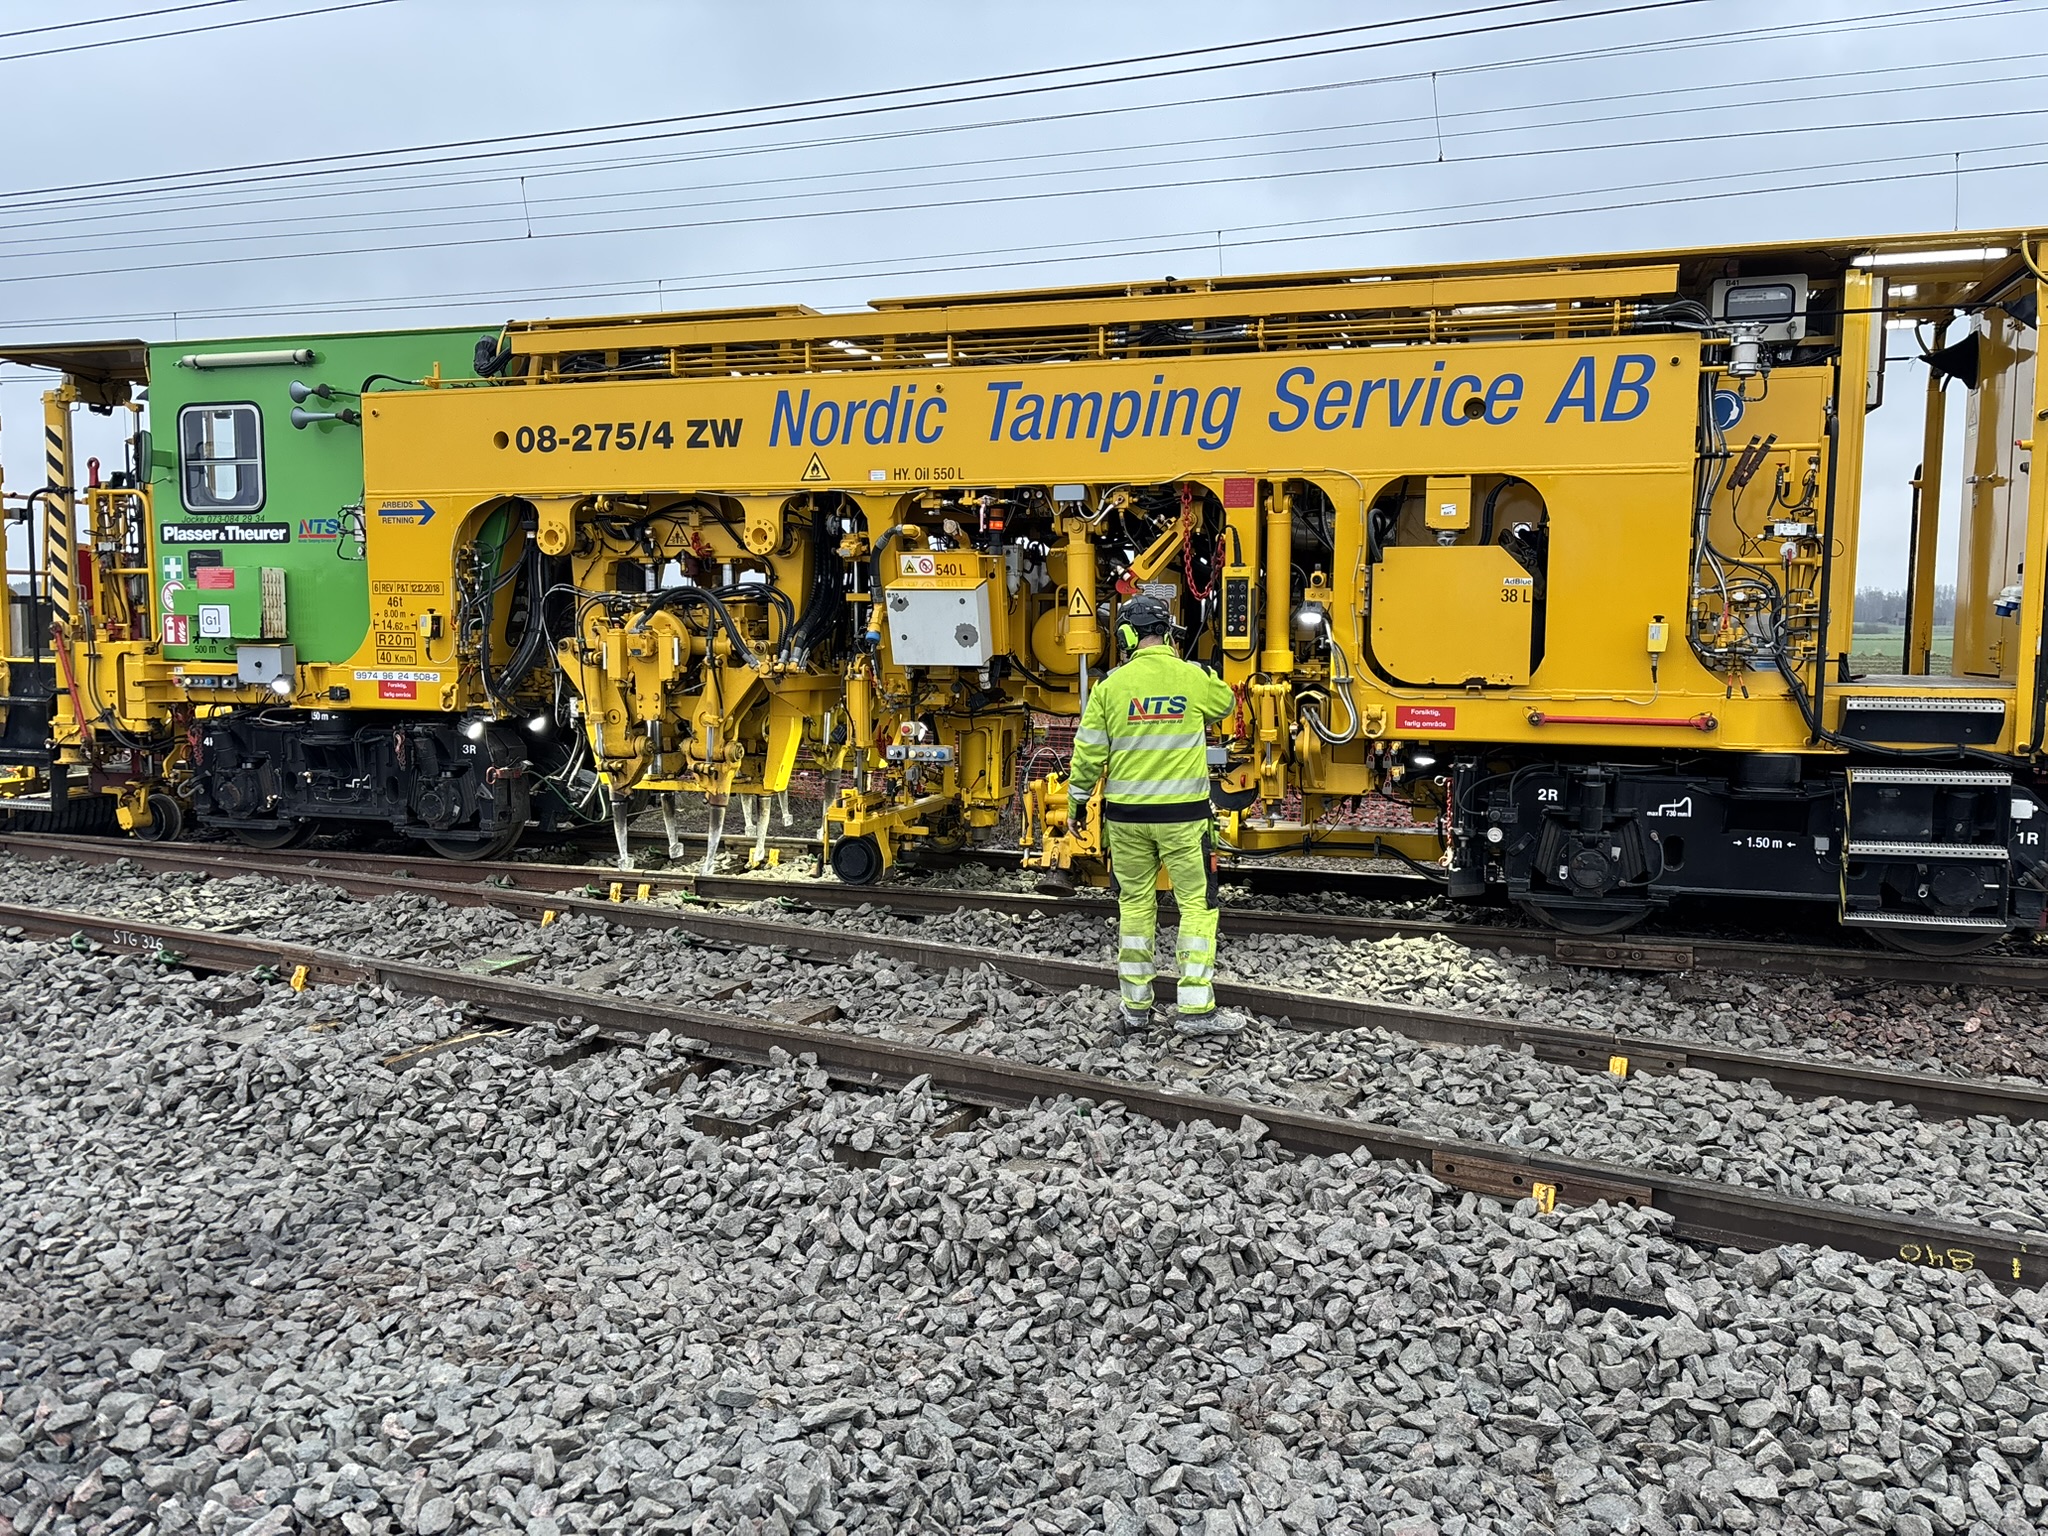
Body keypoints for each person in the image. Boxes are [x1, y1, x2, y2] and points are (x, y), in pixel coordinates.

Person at [1066, 593, 1239, 1034]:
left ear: (1124, 636)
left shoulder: (1109, 689)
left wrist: (1076, 802)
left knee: (1135, 906)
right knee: (1196, 907)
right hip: (1184, 820)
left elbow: (1086, 754)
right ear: (1168, 633)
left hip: (1125, 822)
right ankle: (1196, 1009)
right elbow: (1226, 705)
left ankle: (1136, 1009)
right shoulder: (1191, 677)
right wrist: (1199, 670)